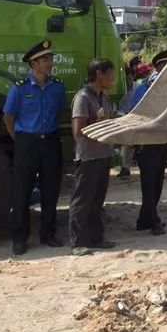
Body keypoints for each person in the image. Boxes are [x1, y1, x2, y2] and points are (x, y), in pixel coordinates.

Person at [2, 40, 68, 256]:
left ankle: (48, 233)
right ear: (33, 63)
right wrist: (20, 139)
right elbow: (8, 117)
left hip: (50, 141)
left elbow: (59, 112)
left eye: (51, 59)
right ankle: (19, 238)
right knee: (21, 192)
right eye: (45, 60)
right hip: (26, 143)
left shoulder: (57, 86)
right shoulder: (19, 88)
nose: (50, 63)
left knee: (51, 190)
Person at [69, 58, 117, 255]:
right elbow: (78, 130)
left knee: (97, 201)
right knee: (82, 201)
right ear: (99, 74)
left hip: (103, 154)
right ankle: (77, 242)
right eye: (110, 74)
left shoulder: (103, 98)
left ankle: (96, 238)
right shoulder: (83, 98)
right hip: (88, 157)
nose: (112, 79)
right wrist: (99, 125)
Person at [130, 49, 167, 235]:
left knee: (156, 182)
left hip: (161, 140)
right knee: (149, 183)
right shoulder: (147, 87)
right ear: (157, 67)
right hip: (147, 142)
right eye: (165, 65)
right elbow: (135, 114)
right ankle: (153, 219)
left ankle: (144, 219)